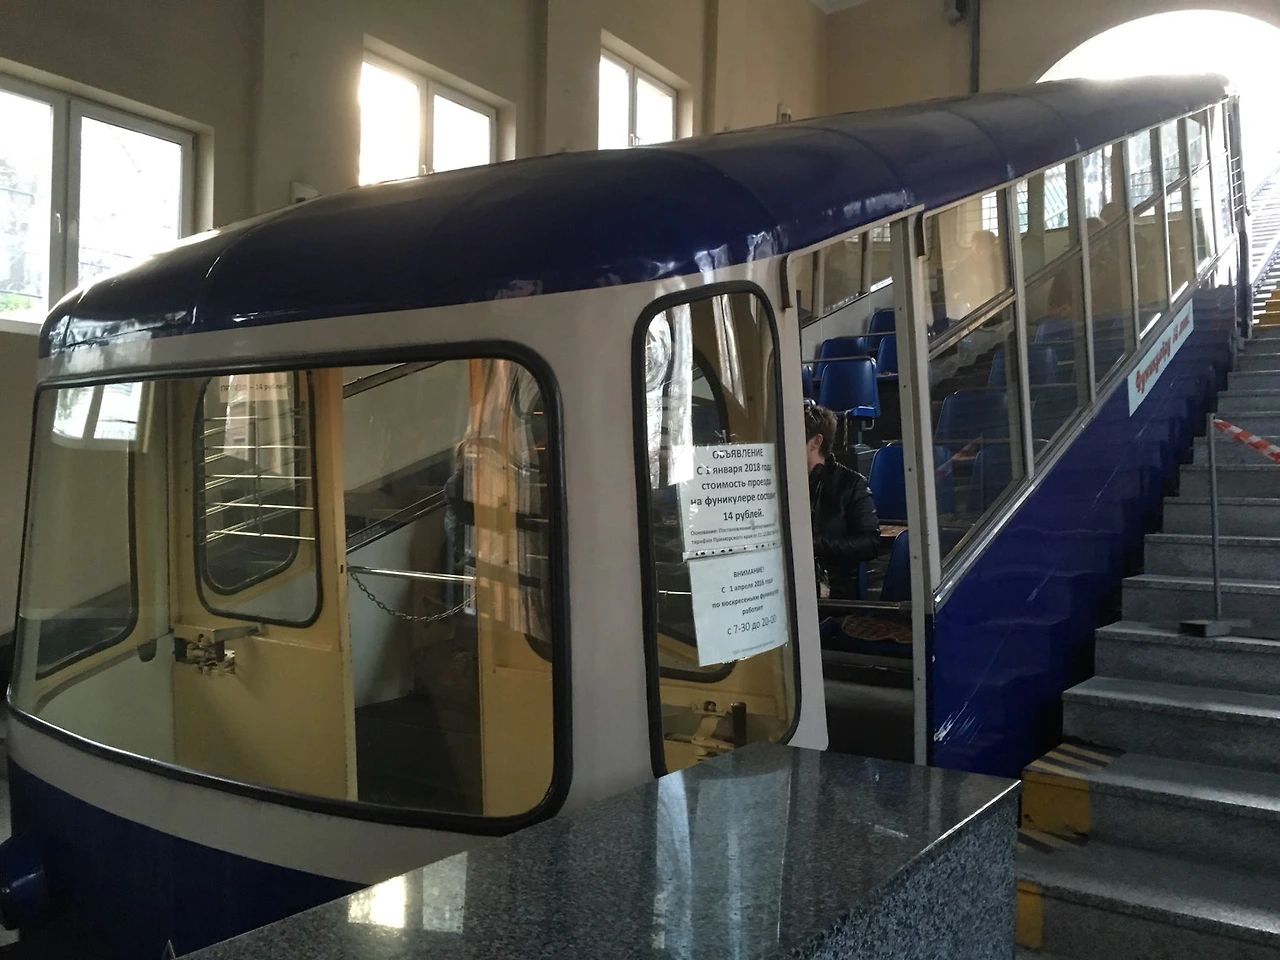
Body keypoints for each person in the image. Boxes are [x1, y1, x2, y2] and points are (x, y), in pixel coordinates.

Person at [804, 403, 882, 600]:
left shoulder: (851, 484)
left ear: (816, 442)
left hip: (835, 592)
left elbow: (870, 543)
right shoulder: (781, 482)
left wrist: (814, 543)